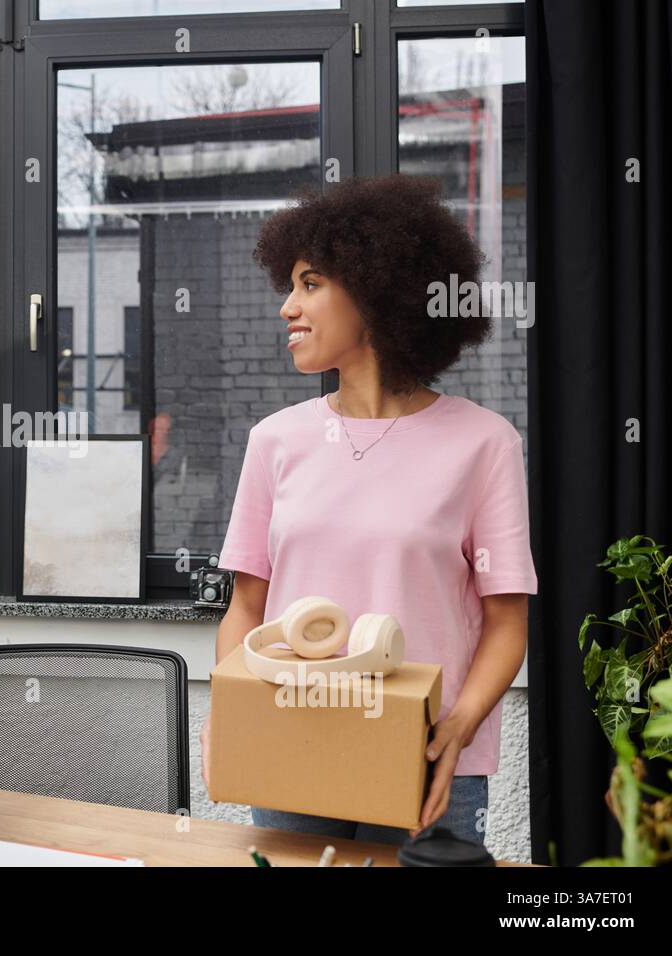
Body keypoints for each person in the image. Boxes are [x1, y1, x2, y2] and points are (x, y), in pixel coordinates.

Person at [203, 174, 537, 846]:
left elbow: (506, 621)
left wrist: (456, 729)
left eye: (311, 283)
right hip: (290, 742)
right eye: (289, 285)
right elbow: (246, 607)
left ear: (377, 289)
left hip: (426, 761)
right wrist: (230, 711)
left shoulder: (484, 444)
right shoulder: (275, 441)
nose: (288, 308)